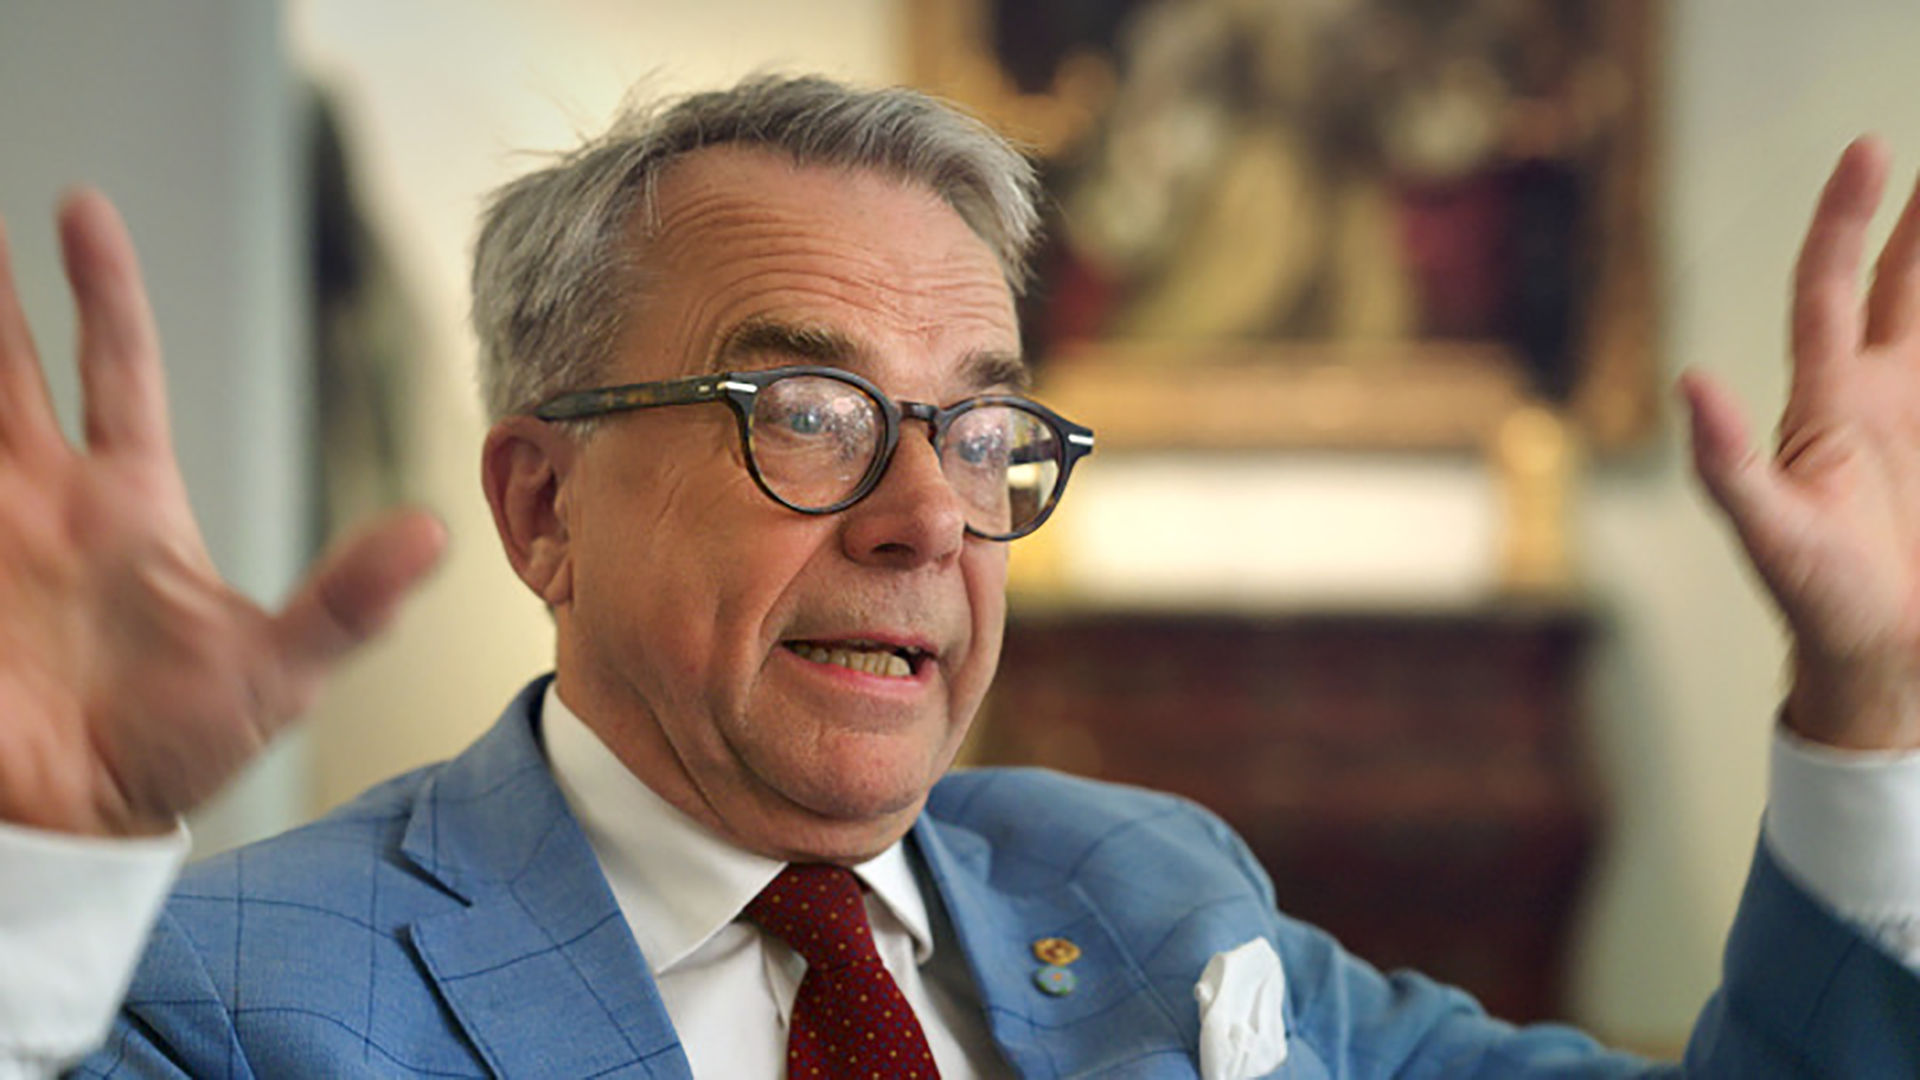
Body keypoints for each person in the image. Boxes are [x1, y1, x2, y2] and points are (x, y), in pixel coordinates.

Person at [0, 74, 1917, 1079]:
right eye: (808, 411)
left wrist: (1872, 710)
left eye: (983, 428)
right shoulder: (230, 998)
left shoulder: (1151, 891)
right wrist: (42, 861)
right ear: (541, 507)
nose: (928, 515)